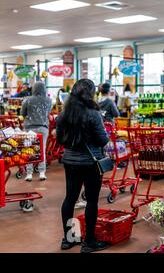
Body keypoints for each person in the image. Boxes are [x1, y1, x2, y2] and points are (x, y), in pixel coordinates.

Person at [57, 79, 110, 253]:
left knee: (69, 199)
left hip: (70, 162)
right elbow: (103, 140)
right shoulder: (93, 114)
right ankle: (89, 242)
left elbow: (59, 140)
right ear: (91, 93)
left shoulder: (64, 114)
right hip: (91, 163)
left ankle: (69, 239)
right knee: (92, 201)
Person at [20, 81, 52, 181]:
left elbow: (22, 113)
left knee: (29, 149)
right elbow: (48, 112)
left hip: (29, 128)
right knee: (42, 149)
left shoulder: (27, 100)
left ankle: (29, 174)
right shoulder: (49, 100)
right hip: (43, 128)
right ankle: (42, 172)